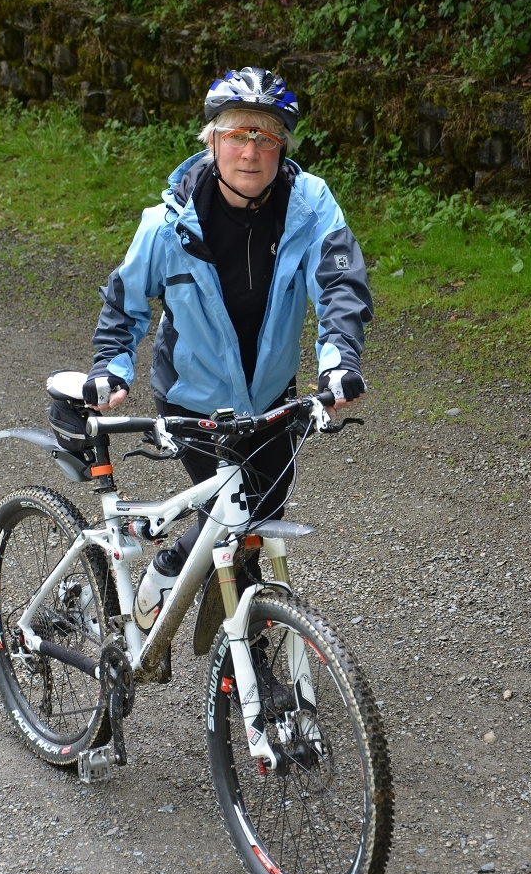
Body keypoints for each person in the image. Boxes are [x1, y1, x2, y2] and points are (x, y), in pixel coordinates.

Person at [83, 66, 373, 605]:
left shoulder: (311, 207)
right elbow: (125, 302)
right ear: (212, 141)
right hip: (193, 397)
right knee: (232, 523)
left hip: (271, 396)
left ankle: (204, 594)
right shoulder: (168, 223)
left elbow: (339, 285)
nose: (251, 152)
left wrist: (339, 362)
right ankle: (237, 636)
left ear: (283, 147)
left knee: (258, 518)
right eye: (238, 134)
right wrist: (111, 368)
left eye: (266, 137)